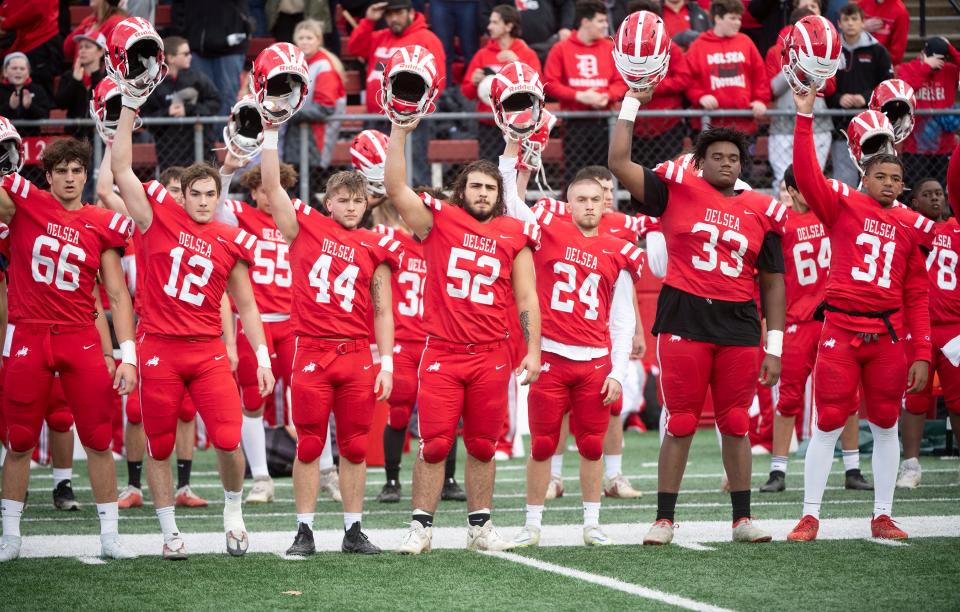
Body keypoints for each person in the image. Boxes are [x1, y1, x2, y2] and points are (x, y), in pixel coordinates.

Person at [610, 87, 787, 546]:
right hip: (686, 315)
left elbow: (772, 281)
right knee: (682, 420)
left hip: (739, 324)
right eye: (718, 156)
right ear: (700, 162)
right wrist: (631, 103)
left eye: (735, 157)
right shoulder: (675, 193)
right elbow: (618, 163)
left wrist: (775, 346)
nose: (727, 163)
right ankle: (664, 518)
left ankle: (742, 519)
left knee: (736, 421)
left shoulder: (763, 210)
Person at [111, 99, 276, 559]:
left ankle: (233, 513)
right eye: (196, 194)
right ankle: (169, 533)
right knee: (160, 444)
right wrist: (127, 104)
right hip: (159, 347)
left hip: (207, 352)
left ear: (219, 198)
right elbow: (122, 167)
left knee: (227, 437)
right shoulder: (154, 218)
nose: (204, 201)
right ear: (181, 195)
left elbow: (247, 306)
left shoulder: (229, 238)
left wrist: (261, 357)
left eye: (211, 194)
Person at [385, 120, 542, 555]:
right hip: (443, 351)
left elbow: (527, 296)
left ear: (499, 195)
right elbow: (396, 188)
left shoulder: (515, 233)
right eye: (476, 186)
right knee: (434, 443)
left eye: (491, 188)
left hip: (492, 352)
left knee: (482, 444)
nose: (483, 194)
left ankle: (480, 526)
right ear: (462, 190)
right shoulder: (440, 221)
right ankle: (420, 526)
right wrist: (399, 131)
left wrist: (533, 350)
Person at [787, 86, 935, 541]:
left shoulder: (910, 223)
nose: (890, 183)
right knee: (828, 420)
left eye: (896, 178)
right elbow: (808, 177)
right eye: (882, 177)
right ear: (865, 178)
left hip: (888, 336)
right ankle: (810, 514)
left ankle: (883, 514)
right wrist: (804, 116)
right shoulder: (842, 203)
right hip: (842, 329)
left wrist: (922, 351)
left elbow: (916, 293)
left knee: (887, 421)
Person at [0, 136, 138, 563]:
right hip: (28, 332)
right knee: (19, 440)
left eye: (78, 170)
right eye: (62, 170)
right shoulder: (24, 201)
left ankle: (110, 536)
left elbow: (117, 295)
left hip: (80, 334)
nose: (71, 178)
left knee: (98, 438)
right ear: (48, 174)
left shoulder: (101, 221)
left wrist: (127, 354)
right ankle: (10, 536)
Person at [260, 123, 395, 556]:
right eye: (343, 199)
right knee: (311, 442)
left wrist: (387, 362)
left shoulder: (375, 245)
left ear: (367, 201)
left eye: (358, 200)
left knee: (355, 445)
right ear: (328, 201)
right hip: (313, 349)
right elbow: (271, 186)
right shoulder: (305, 226)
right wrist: (268, 136)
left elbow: (383, 310)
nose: (352, 206)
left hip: (356, 352)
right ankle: (304, 529)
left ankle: (353, 530)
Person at [498, 144, 643, 547]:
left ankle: (592, 522)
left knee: (593, 444)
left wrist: (617, 371)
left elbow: (621, 321)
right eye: (582, 199)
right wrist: (512, 155)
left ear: (606, 202)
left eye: (597, 199)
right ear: (569, 202)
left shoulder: (618, 249)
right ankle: (531, 524)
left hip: (594, 361)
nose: (590, 206)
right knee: (543, 444)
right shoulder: (547, 228)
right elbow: (511, 201)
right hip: (552, 357)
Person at [217, 157, 345, 505]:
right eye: (259, 190)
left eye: (273, 189)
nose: (267, 196)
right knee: (252, 399)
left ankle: (327, 470)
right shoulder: (241, 217)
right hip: (254, 321)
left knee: (310, 395)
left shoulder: (296, 220)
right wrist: (227, 168)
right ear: (253, 192)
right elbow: (214, 207)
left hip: (294, 322)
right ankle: (261, 478)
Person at [95, 160, 212, 510]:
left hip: (193, 332)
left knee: (187, 412)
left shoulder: (202, 230)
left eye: (183, 191)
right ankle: (133, 485)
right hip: (150, 329)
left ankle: (185, 485)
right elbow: (104, 189)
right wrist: (109, 136)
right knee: (135, 410)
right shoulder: (143, 223)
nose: (179, 197)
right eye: (173, 190)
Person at [526, 167, 647, 500]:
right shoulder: (552, 227)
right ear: (571, 202)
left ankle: (613, 476)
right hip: (557, 341)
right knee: (551, 424)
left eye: (605, 193)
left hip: (599, 337)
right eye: (589, 196)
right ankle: (553, 478)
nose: (600, 200)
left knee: (607, 413)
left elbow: (622, 291)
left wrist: (636, 328)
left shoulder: (621, 231)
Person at [759, 165, 873, 493]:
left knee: (848, 397)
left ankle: (852, 467)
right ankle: (778, 471)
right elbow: (766, 279)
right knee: (788, 400)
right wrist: (769, 323)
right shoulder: (780, 224)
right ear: (791, 190)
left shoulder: (834, 215)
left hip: (835, 321)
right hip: (796, 322)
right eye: (805, 187)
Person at [371, 192, 467, 504]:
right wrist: (375, 196)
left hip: (439, 342)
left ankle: (449, 478)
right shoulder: (392, 241)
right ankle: (392, 481)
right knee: (398, 411)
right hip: (403, 342)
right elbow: (354, 228)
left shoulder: (453, 247)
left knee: (447, 413)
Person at [897, 174, 960, 488]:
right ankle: (910, 465)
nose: (936, 199)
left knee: (959, 399)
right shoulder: (908, 229)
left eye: (940, 194)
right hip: (916, 326)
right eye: (928, 194)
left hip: (954, 327)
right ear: (914, 202)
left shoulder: (956, 229)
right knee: (915, 396)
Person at [346, 0, 446, 187]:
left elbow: (438, 81)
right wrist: (368, 20)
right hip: (377, 116)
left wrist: (413, 112)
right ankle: (377, 215)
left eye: (398, 13)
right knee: (372, 174)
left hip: (409, 118)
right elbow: (355, 47)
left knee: (413, 169)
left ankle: (417, 212)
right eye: (389, 14)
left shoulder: (427, 39)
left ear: (410, 12)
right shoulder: (380, 36)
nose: (393, 19)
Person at [544, 0, 628, 184]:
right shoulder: (561, 49)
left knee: (603, 176)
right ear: (585, 22)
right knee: (575, 175)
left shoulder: (610, 48)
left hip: (605, 122)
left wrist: (607, 95)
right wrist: (579, 96)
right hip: (575, 123)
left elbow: (621, 81)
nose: (606, 25)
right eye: (600, 21)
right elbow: (550, 83)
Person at [765, 7, 833, 198]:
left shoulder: (824, 54)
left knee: (814, 178)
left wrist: (811, 64)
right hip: (782, 126)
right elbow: (772, 89)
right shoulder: (775, 51)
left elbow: (828, 85)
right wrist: (794, 64)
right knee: (782, 180)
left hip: (817, 123)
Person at [461, 5, 541, 163]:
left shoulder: (526, 53)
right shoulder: (482, 54)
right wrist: (474, 82)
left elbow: (540, 88)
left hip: (519, 125)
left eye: (495, 22)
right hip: (489, 125)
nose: (489, 26)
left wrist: (517, 63)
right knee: (489, 171)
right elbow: (466, 91)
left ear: (509, 25)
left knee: (517, 172)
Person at [826, 3, 893, 188]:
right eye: (846, 19)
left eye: (854, 19)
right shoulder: (831, 50)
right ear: (839, 23)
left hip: (873, 127)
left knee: (873, 176)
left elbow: (887, 85)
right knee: (844, 179)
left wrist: (866, 97)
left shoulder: (878, 51)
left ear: (863, 22)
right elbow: (823, 84)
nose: (850, 24)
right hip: (842, 126)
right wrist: (838, 98)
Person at [684, 0, 770, 142]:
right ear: (718, 18)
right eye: (732, 18)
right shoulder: (699, 45)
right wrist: (699, 96)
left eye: (739, 18)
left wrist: (760, 100)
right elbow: (688, 78)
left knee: (743, 165)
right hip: (710, 127)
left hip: (743, 126)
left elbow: (759, 75)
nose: (737, 23)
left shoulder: (746, 42)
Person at [626, 0, 692, 169]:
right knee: (636, 179)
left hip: (667, 126)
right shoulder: (622, 48)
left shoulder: (671, 48)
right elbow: (616, 80)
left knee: (668, 177)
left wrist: (652, 86)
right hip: (633, 124)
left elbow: (683, 78)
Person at [284, 19, 346, 197]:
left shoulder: (324, 66)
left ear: (319, 40)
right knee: (299, 191)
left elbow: (325, 108)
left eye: (309, 37)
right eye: (301, 37)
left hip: (315, 139)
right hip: (298, 138)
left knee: (303, 191)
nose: (304, 41)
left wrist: (287, 112)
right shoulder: (299, 65)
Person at [141, 36, 222, 169]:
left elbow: (215, 102)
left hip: (201, 148)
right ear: (171, 58)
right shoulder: (154, 85)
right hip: (169, 153)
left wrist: (188, 109)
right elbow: (145, 117)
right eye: (185, 54)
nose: (190, 56)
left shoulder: (198, 78)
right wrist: (168, 112)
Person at [895, 37, 960, 189]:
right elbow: (905, 91)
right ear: (923, 53)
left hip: (944, 146)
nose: (939, 63)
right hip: (914, 147)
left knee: (942, 192)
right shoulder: (908, 68)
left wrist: (950, 48)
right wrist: (925, 67)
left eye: (942, 58)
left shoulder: (950, 70)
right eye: (935, 58)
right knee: (914, 190)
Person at [176, 0, 252, 116]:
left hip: (230, 47)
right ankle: (204, 134)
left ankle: (224, 134)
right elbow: (178, 7)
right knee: (199, 97)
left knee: (227, 98)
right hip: (197, 46)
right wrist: (183, 34)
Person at [481, 0, 574, 65]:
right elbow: (485, 14)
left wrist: (565, 26)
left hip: (547, 45)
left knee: (542, 84)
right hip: (512, 47)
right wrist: (512, 40)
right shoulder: (482, 55)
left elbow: (566, 3)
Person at [0, 0, 63, 96]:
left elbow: (38, 7)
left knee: (39, 97)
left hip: (39, 42)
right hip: (16, 43)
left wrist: (5, 24)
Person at [55, 33, 106, 140]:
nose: (82, 50)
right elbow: (61, 103)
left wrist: (95, 75)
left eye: (87, 47)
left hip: (100, 137)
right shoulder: (69, 76)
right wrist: (75, 81)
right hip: (74, 137)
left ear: (100, 52)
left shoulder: (107, 78)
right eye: (80, 47)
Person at [0, 54, 53, 135]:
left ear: (28, 72)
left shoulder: (38, 90)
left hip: (31, 139)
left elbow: (45, 116)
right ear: (5, 72)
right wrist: (9, 107)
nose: (18, 71)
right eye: (14, 68)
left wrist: (30, 106)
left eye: (22, 68)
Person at [856, 0, 908, 66]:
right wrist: (861, 27)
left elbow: (897, 54)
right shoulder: (862, 4)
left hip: (882, 68)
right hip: (856, 62)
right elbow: (846, 36)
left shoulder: (901, 12)